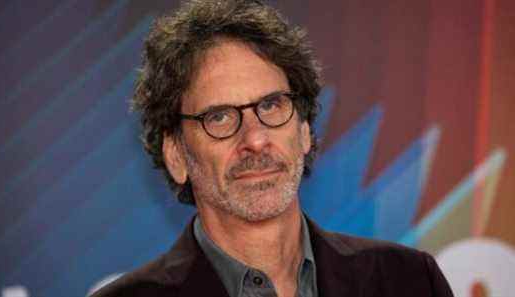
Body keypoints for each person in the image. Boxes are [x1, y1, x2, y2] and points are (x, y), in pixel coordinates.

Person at [91, 0, 454, 296]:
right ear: (176, 156)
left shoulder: (409, 281)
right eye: (219, 117)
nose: (255, 139)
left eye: (271, 106)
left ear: (305, 129)